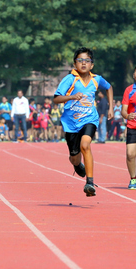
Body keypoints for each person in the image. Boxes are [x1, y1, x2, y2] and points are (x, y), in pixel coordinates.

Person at [52, 47, 113, 197]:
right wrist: (71, 97)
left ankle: (90, 183)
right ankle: (77, 164)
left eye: (87, 61)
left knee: (85, 145)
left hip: (89, 119)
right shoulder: (70, 79)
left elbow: (109, 87)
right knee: (74, 156)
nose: (83, 63)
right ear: (75, 64)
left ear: (92, 65)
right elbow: (56, 98)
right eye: (80, 60)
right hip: (71, 123)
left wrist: (111, 107)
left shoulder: (96, 79)